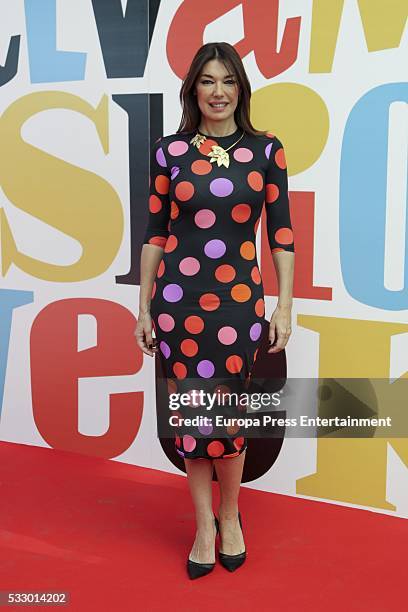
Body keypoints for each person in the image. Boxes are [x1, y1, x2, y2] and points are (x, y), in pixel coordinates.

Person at [135, 42, 295, 579]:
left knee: (227, 415)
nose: (218, 92)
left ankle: (231, 513)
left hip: (239, 306)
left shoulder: (267, 150)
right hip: (179, 303)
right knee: (193, 415)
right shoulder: (168, 151)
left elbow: (283, 237)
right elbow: (156, 234)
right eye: (207, 81)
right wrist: (143, 307)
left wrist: (285, 307)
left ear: (240, 88)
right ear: (193, 90)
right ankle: (204, 524)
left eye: (228, 81)